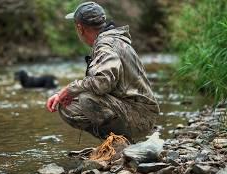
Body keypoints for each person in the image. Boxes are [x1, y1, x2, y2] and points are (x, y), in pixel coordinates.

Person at [46, 1, 160, 141]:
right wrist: (67, 93)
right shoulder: (111, 41)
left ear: (80, 28)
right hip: (139, 113)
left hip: (140, 117)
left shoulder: (105, 46)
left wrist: (70, 89)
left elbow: (102, 83)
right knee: (67, 106)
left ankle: (118, 143)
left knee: (86, 99)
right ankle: (114, 141)